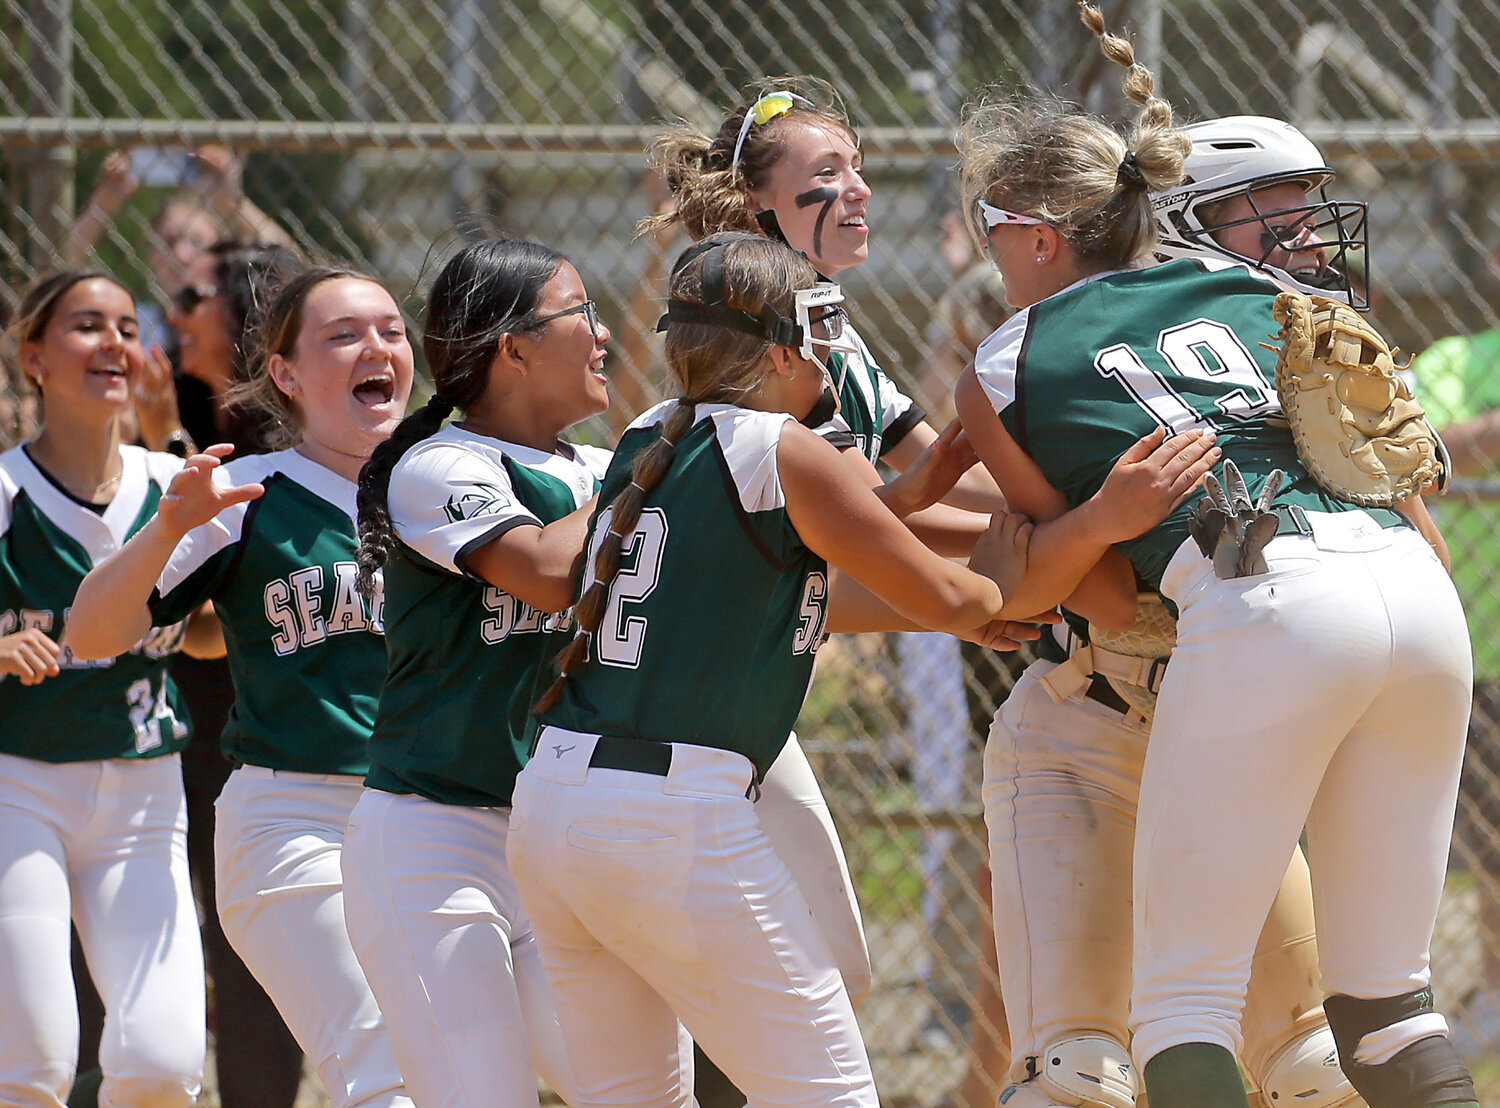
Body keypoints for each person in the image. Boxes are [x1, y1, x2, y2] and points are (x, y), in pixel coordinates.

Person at [953, 8, 1476, 1107]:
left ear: (1038, 234)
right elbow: (1410, 498)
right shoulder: (1274, 300)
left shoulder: (1009, 359)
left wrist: (1050, 546)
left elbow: (1089, 591)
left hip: (1259, 617)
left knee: (1180, 1011)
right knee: (1389, 1005)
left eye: (993, 226)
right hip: (1420, 604)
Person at [506, 230, 1035, 1108]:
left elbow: (804, 541)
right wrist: (1025, 576)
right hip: (668, 814)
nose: (831, 354)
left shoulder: (649, 431)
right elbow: (945, 597)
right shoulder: (784, 448)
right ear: (781, 350)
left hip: (556, 800)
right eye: (818, 332)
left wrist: (916, 494)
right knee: (831, 1097)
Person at [67, 266, 417, 1108]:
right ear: (286, 375)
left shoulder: (453, 486)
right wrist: (165, 530)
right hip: (300, 821)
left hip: (443, 817)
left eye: (392, 330)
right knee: (386, 1076)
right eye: (343, 335)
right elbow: (92, 633)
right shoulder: (247, 495)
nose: (376, 347)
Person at [342, 237, 605, 1108]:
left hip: (554, 848)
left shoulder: (601, 472)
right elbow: (544, 570)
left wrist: (972, 599)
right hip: (432, 841)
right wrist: (661, 466)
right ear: (514, 348)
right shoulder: (442, 467)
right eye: (581, 315)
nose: (602, 337)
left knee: (637, 1088)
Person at [0, 269, 211, 1108]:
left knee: (162, 1065)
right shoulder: (8, 492)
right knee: (34, 1064)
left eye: (128, 325)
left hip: (143, 792)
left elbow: (210, 631)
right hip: (20, 784)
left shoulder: (166, 484)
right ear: (34, 358)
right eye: (87, 326)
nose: (115, 343)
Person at [161, 238, 310, 1108]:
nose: (177, 317)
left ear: (244, 318)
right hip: (177, 701)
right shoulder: (173, 401)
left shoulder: (301, 442)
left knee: (255, 942)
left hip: (261, 712)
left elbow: (217, 622)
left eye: (198, 300)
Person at [1408, 239, 1500, 1061]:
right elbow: (1415, 460)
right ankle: (1498, 990)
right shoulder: (1453, 359)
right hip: (1482, 645)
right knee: (1492, 843)